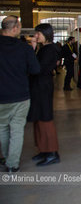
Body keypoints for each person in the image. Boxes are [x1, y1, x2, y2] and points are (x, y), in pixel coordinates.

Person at [0, 16, 40, 172]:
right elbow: (35, 69)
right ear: (15, 28)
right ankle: (12, 164)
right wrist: (32, 49)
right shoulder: (23, 48)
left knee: (2, 128)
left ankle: (5, 157)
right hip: (20, 95)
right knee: (16, 131)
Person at [28, 23, 61, 166]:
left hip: (43, 87)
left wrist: (32, 49)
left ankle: (52, 152)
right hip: (38, 87)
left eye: (38, 34)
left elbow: (37, 69)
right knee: (38, 118)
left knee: (45, 118)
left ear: (46, 34)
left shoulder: (50, 49)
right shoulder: (44, 49)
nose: (36, 36)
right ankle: (43, 149)